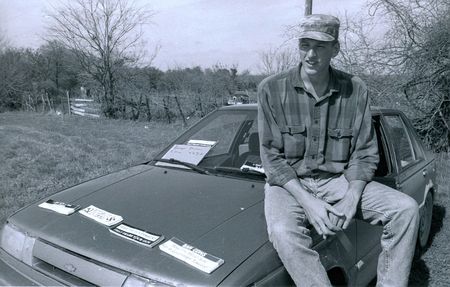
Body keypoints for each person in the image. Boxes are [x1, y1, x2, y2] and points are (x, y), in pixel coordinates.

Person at [257, 14, 419, 287]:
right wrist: (309, 203)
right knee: (283, 231)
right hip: (288, 186)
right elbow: (271, 158)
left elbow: (365, 152)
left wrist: (352, 197)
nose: (310, 54)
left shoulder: (355, 89)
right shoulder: (271, 89)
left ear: (336, 49)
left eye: (320, 46)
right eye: (304, 45)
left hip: (338, 181)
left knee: (406, 209)